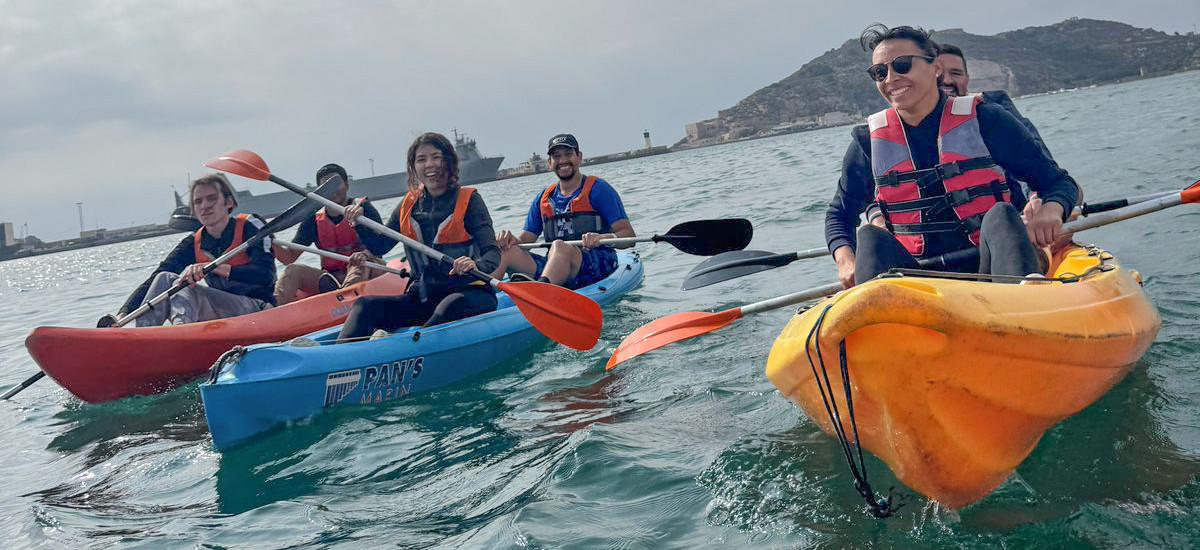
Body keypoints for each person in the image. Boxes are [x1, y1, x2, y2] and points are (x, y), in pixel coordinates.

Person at [825, 24, 1078, 289]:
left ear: (935, 68)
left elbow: (1058, 182)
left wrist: (1052, 208)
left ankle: (1026, 306)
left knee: (1002, 215)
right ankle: (878, 323)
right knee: (869, 237)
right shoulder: (867, 142)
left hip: (993, 268)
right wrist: (845, 258)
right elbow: (839, 215)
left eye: (902, 65)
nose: (890, 78)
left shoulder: (988, 120)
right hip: (918, 280)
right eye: (879, 72)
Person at [335, 132, 500, 341]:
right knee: (364, 305)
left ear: (448, 161)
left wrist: (476, 265)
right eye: (421, 159)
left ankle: (410, 345)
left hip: (469, 294)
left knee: (449, 305)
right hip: (424, 296)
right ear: (414, 167)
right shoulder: (408, 205)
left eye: (436, 157)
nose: (429, 164)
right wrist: (358, 223)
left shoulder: (470, 200)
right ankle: (338, 358)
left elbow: (493, 254)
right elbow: (380, 247)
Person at [104, 174, 276, 327]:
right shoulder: (193, 242)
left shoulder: (249, 228)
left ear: (229, 202)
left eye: (212, 198)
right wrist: (123, 313)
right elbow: (156, 278)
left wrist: (214, 267)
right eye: (198, 201)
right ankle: (142, 335)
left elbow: (265, 275)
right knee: (165, 277)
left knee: (185, 286)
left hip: (257, 307)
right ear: (194, 210)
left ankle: (182, 331)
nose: (205, 206)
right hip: (222, 311)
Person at [491, 133, 634, 288]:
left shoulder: (599, 190)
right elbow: (525, 242)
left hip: (597, 265)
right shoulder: (543, 198)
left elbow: (629, 237)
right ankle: (480, 295)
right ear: (549, 163)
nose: (563, 160)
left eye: (568, 154)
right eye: (556, 156)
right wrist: (509, 240)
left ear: (579, 157)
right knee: (508, 250)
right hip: (557, 268)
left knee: (559, 245)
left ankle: (543, 292)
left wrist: (603, 237)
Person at [271, 163, 388, 305]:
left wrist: (365, 254)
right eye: (326, 185)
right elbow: (289, 257)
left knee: (359, 264)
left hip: (367, 270)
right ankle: (275, 308)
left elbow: (383, 245)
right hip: (331, 279)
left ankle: (346, 304)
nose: (333, 189)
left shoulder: (363, 209)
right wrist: (271, 240)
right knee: (292, 270)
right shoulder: (313, 220)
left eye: (336, 183)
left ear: (346, 184)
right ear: (320, 191)